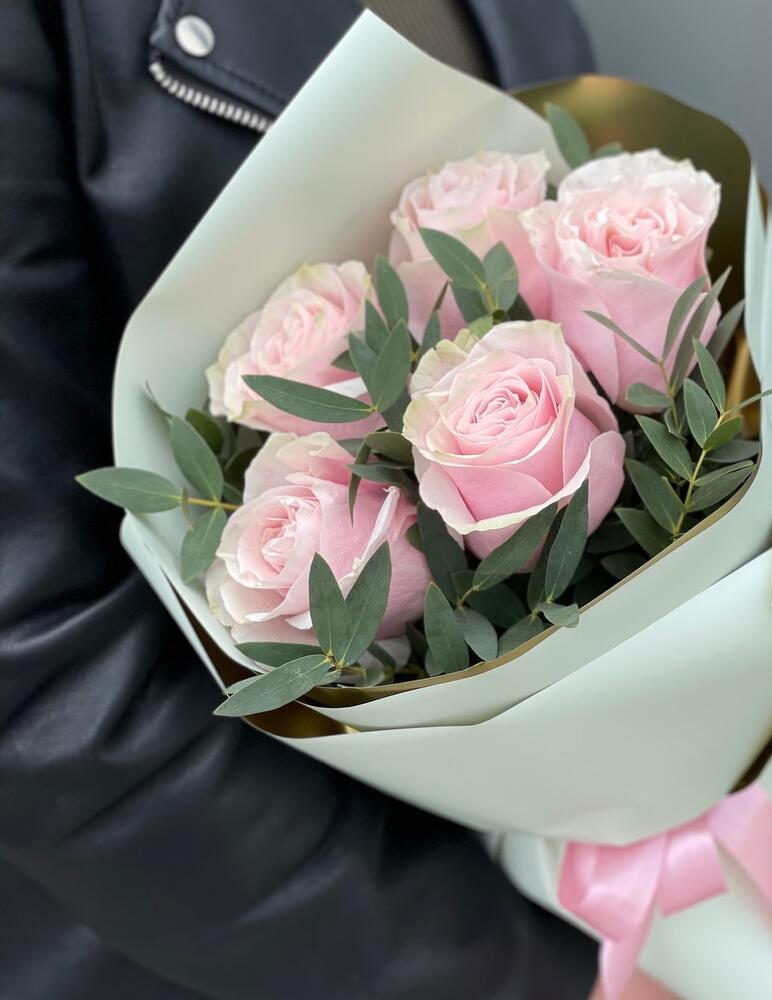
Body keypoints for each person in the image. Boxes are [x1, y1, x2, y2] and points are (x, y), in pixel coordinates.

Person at [0, 2, 630, 997]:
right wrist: (506, 973)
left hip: (555, 881)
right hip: (199, 947)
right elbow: (37, 669)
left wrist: (722, 710)